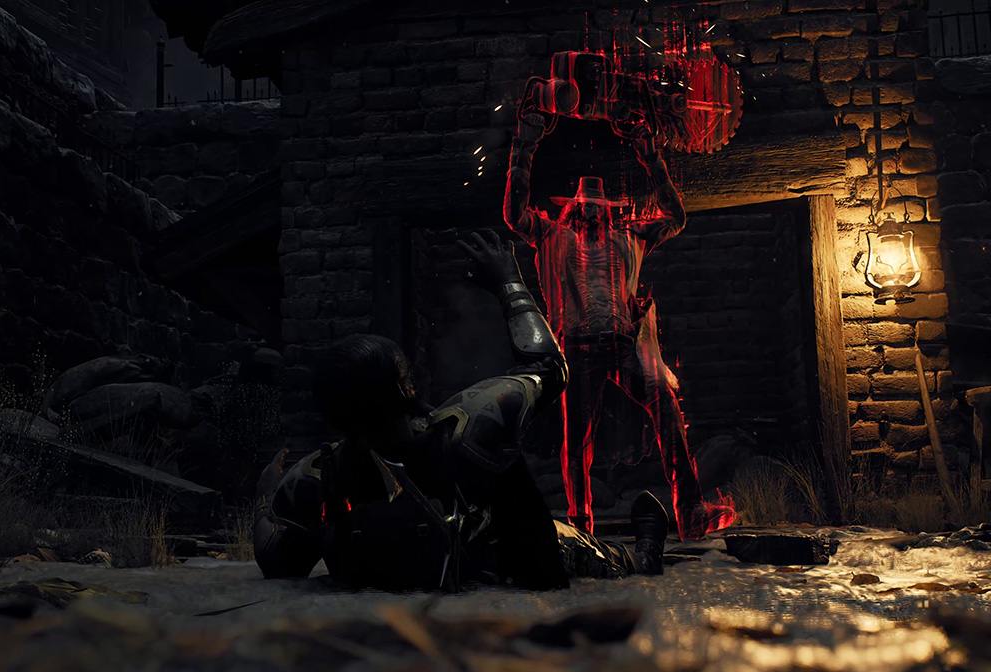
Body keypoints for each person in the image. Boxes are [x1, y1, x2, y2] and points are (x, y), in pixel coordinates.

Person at [251, 232, 669, 591]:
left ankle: (642, 552)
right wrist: (508, 280)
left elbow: (279, 563)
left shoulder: (313, 479)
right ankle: (644, 555)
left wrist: (267, 495)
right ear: (406, 387)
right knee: (583, 548)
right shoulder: (473, 425)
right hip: (511, 575)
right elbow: (549, 367)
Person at [504, 113, 735, 539]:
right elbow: (515, 215)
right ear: (573, 208)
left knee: (665, 403)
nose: (591, 212)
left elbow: (676, 218)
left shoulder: (629, 238)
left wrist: (650, 155)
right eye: (585, 206)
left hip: (625, 345)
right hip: (576, 348)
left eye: (598, 206)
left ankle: (690, 511)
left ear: (607, 210)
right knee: (577, 442)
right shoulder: (552, 237)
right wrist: (524, 146)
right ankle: (582, 527)